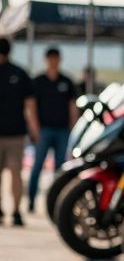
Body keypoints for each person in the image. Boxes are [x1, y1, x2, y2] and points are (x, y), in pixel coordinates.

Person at [27, 47, 77, 215]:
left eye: (56, 58)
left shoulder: (66, 81)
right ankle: (31, 200)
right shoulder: (38, 81)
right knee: (37, 166)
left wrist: (73, 127)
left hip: (62, 130)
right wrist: (35, 129)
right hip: (44, 130)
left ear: (59, 59)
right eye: (51, 58)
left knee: (60, 168)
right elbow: (31, 106)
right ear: (46, 59)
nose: (53, 61)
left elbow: (72, 107)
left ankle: (57, 202)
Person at [0, 39, 34, 225]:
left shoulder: (18, 73)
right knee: (15, 173)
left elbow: (29, 104)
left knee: (15, 173)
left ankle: (15, 210)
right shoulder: (20, 73)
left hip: (15, 133)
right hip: (14, 133)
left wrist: (33, 128)